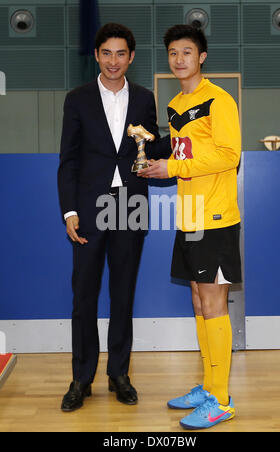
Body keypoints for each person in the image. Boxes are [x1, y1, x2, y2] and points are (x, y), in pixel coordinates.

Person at [58, 23, 170, 412]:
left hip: (130, 204)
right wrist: (70, 210)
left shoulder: (144, 98)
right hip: (89, 208)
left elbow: (151, 144)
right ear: (97, 55)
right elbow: (68, 161)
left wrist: (183, 135)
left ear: (131, 57)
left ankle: (119, 374)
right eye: (107, 53)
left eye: (121, 54)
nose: (113, 61)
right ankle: (81, 378)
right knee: (83, 298)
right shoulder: (77, 99)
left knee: (123, 295)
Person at [138, 24, 242, 429]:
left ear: (201, 57)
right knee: (200, 303)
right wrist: (154, 157)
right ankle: (209, 384)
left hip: (215, 217)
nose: (178, 59)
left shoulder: (219, 100)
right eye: (172, 54)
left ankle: (221, 399)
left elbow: (228, 155)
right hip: (189, 216)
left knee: (215, 306)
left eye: (186, 52)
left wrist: (173, 167)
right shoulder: (178, 104)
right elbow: (183, 151)